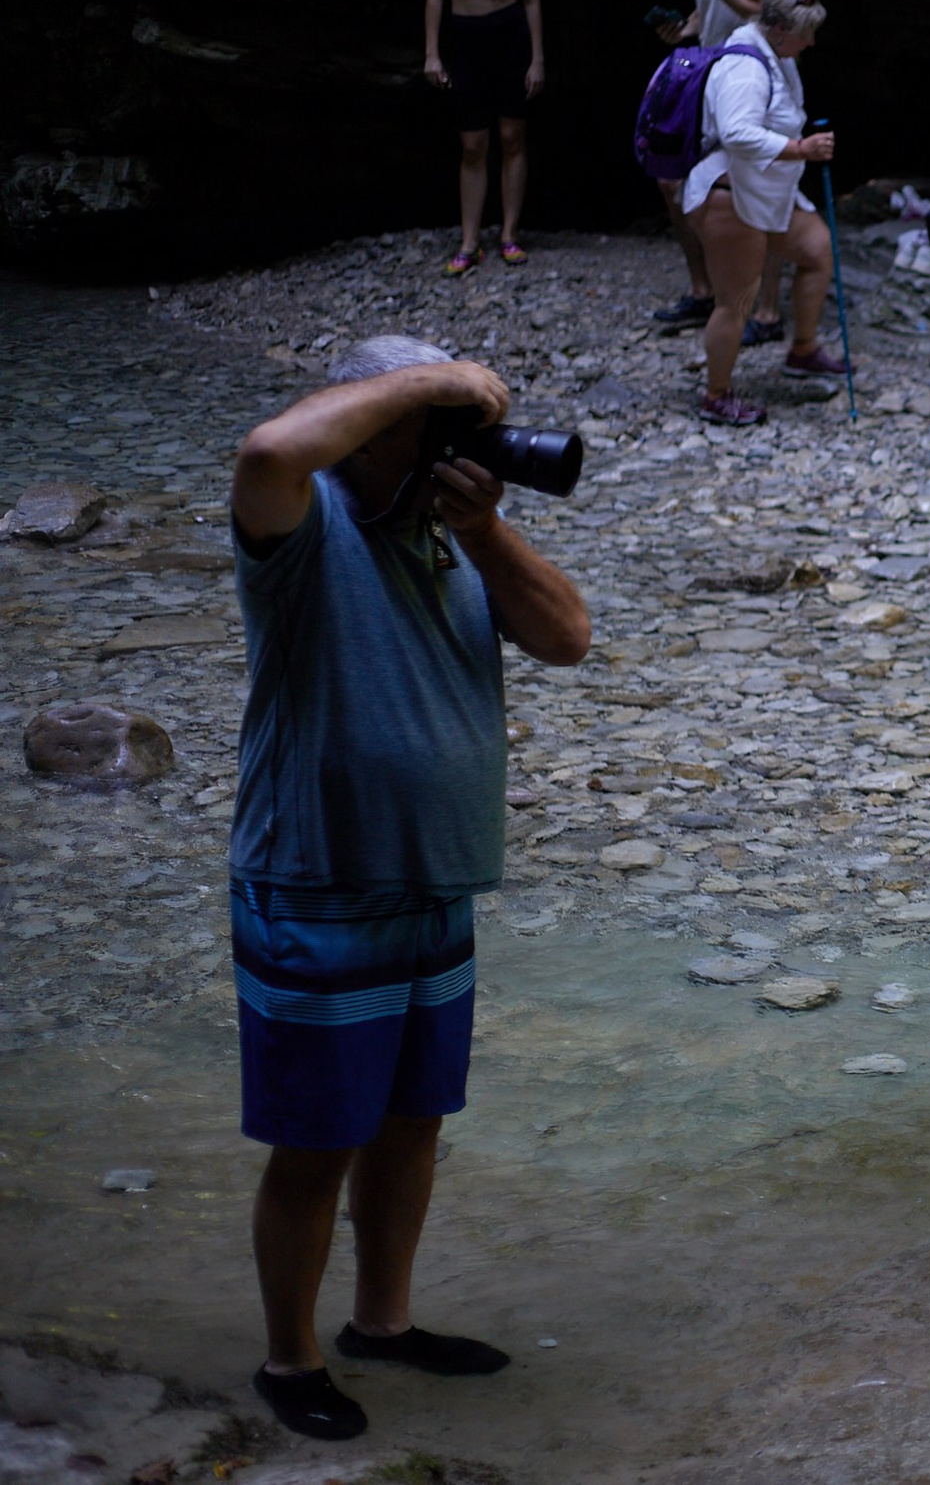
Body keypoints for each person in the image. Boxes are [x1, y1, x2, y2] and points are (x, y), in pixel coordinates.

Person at [227, 335, 590, 1439]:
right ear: (370, 425)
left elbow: (567, 637)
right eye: (433, 432)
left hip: (435, 892)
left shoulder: (450, 538)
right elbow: (268, 445)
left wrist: (482, 526)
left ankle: (381, 1326)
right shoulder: (304, 523)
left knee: (411, 1125)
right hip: (319, 886)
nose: (452, 453)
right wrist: (437, 386)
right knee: (317, 1140)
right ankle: (289, 1362)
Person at [680, 0, 849, 425]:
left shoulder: (777, 54)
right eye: (806, 33)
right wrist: (801, 150)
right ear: (776, 28)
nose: (811, 42)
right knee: (736, 300)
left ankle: (803, 350)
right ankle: (717, 395)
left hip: (765, 193)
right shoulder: (744, 66)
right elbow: (736, 132)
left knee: (816, 249)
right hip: (727, 196)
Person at [648, 0, 787, 343]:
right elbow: (706, 11)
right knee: (674, 183)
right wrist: (682, 29)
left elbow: (763, 10)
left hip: (748, 71)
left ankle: (766, 311)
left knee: (755, 184)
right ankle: (702, 289)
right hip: (707, 69)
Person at [422, 0, 544, 278]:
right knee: (473, 143)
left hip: (509, 36)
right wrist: (432, 52)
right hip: (464, 38)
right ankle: (469, 241)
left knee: (512, 134)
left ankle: (509, 235)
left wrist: (537, 58)